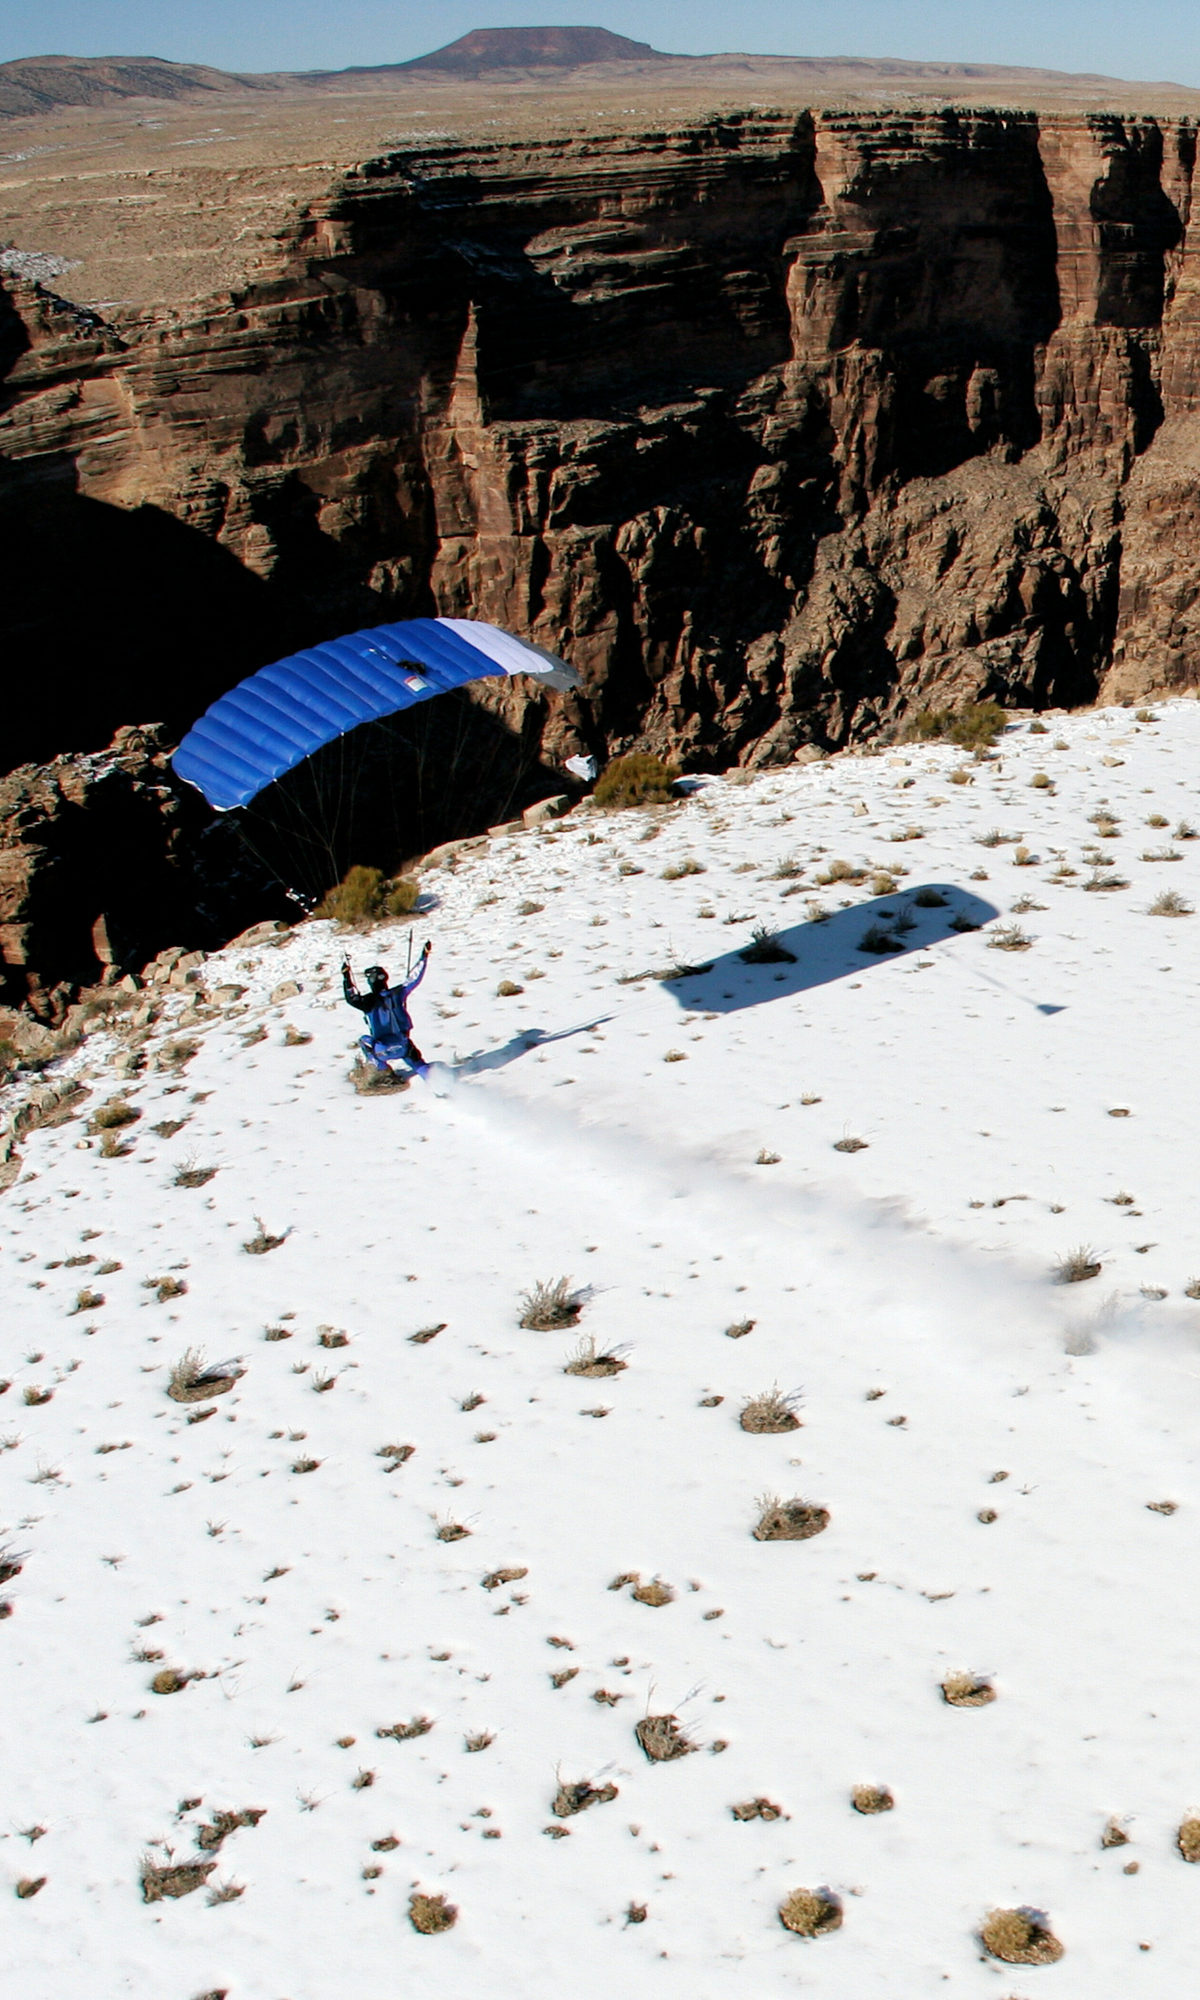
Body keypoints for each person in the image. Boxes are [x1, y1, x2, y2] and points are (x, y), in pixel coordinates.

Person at [343, 944, 431, 1075]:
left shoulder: (367, 1001)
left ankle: (382, 1073)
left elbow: (351, 998)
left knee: (364, 1040)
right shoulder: (398, 993)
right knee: (418, 1064)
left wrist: (346, 978)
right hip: (403, 1045)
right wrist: (424, 956)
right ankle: (433, 1080)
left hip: (381, 1049)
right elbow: (414, 979)